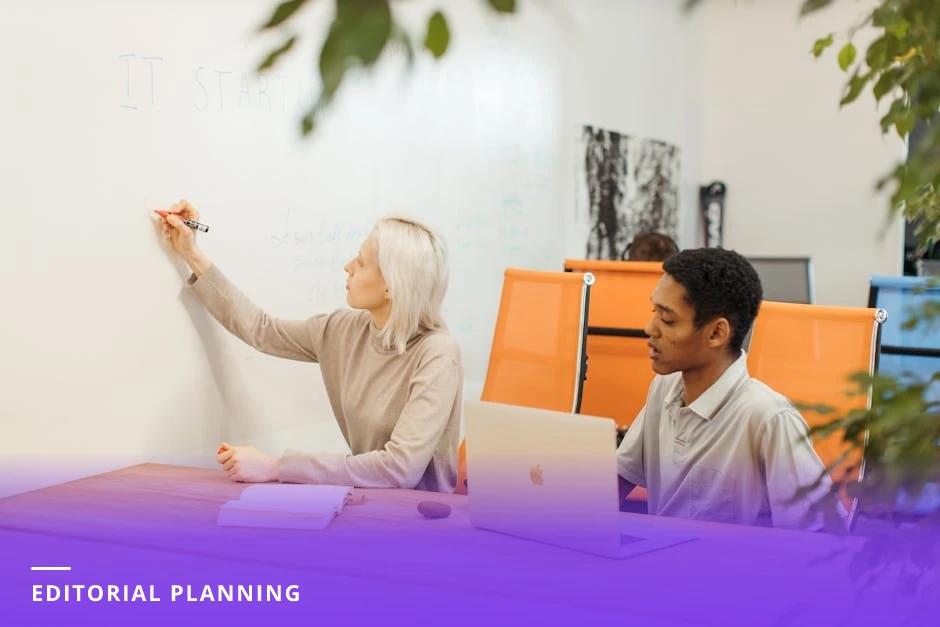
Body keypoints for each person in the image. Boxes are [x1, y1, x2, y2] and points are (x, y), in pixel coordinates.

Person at [157, 199, 463, 493]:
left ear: (391, 286)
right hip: (366, 502)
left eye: (361, 262)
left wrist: (277, 467)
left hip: (422, 516)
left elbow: (399, 468)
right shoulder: (343, 330)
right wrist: (191, 253)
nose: (348, 267)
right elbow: (261, 330)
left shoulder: (438, 354)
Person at [616, 247, 835, 531]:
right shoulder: (666, 388)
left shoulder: (768, 418)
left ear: (717, 333)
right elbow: (618, 480)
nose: (649, 328)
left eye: (668, 320)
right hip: (660, 554)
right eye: (653, 312)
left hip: (729, 561)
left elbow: (823, 536)